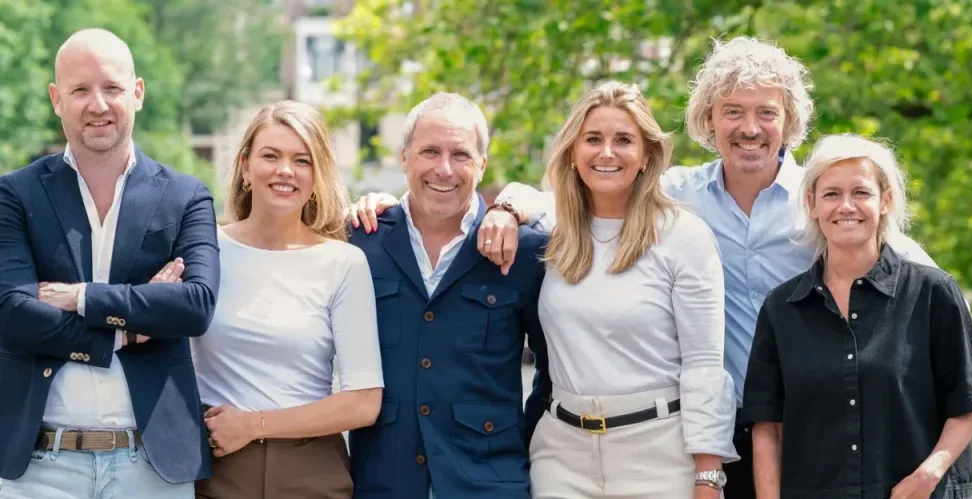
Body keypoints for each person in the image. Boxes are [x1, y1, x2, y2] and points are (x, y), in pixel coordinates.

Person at [349, 36, 937, 497]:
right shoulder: (678, 198)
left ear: (790, 123)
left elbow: (907, 268)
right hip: (652, 438)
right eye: (732, 111)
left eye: (766, 112)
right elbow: (564, 206)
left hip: (792, 424)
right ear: (710, 120)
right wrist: (503, 206)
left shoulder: (821, 202)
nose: (750, 127)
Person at [0, 28, 221, 498]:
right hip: (42, 466)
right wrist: (129, 327)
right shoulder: (17, 194)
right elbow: (11, 317)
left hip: (153, 466)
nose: (97, 104)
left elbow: (195, 306)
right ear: (56, 99)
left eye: (112, 88)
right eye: (80, 90)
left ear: (138, 93)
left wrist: (82, 299)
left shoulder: (186, 197)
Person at [742, 134, 972, 499]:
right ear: (812, 203)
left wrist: (930, 473)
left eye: (861, 193)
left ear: (885, 201)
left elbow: (969, 403)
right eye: (832, 194)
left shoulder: (933, 293)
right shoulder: (781, 308)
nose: (846, 206)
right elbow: (766, 427)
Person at [512, 81, 732, 498]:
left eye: (624, 140)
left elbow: (704, 366)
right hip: (562, 456)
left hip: (659, 457)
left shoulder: (683, 236)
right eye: (593, 139)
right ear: (573, 153)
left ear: (647, 156)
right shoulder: (554, 233)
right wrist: (506, 210)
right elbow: (526, 196)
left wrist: (708, 475)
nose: (607, 152)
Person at [343, 92, 553, 499]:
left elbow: (553, 373)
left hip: (490, 484)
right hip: (382, 484)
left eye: (460, 154)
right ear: (404, 159)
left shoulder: (524, 252)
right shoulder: (361, 244)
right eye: (429, 152)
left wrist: (511, 455)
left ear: (482, 164)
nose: (444, 169)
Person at [191, 101, 385, 499]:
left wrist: (254, 424)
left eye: (302, 160)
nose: (285, 171)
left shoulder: (343, 262)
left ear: (318, 176)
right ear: (245, 166)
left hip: (311, 473)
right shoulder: (204, 248)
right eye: (270, 156)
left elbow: (364, 402)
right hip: (213, 468)